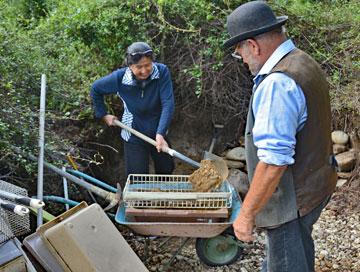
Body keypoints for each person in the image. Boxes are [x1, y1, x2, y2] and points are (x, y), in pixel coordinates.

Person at [223, 1, 337, 271]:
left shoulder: (277, 83)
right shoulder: (301, 60)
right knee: (291, 255)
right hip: (315, 186)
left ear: (253, 45)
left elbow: (274, 162)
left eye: (240, 52)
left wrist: (246, 214)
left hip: (290, 203)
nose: (243, 60)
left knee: (286, 261)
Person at [90, 41, 175, 177]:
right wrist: (104, 114)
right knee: (138, 177)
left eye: (147, 65)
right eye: (138, 67)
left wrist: (160, 133)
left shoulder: (162, 72)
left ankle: (162, 196)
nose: (144, 70)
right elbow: (95, 89)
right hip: (133, 132)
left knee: (166, 169)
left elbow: (168, 103)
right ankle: (141, 199)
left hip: (157, 129)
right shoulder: (120, 78)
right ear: (130, 66)